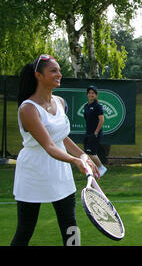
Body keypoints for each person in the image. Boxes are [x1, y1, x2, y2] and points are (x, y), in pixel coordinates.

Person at [12, 54, 100, 246]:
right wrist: (76, 161)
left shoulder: (59, 102)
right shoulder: (28, 109)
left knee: (71, 227)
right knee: (25, 231)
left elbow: (61, 137)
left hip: (60, 173)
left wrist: (83, 154)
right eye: (53, 70)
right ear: (38, 75)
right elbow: (49, 145)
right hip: (33, 173)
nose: (59, 74)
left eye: (59, 70)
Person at [84, 85, 108, 177]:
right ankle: (93, 170)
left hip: (95, 133)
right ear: (87, 95)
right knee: (87, 153)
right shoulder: (86, 106)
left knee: (91, 153)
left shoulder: (98, 106)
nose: (91, 95)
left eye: (93, 93)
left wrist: (96, 132)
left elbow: (101, 120)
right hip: (88, 133)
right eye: (89, 93)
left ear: (96, 95)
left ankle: (101, 167)